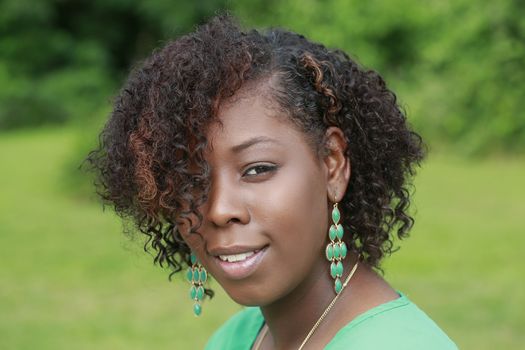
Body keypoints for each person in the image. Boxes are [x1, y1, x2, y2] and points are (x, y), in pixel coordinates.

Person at [87, 15, 458, 350]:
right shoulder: (240, 337)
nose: (219, 210)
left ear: (331, 164)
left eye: (257, 169)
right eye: (190, 178)